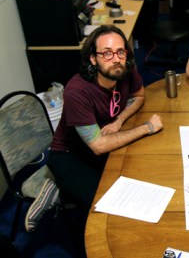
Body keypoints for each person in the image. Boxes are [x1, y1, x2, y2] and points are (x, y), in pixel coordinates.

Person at [46, 25, 163, 213]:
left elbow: (139, 96)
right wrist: (146, 127)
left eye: (120, 52)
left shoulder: (123, 68)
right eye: (107, 53)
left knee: (148, 174)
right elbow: (99, 145)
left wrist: (118, 120)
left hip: (103, 137)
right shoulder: (77, 91)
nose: (116, 59)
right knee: (107, 205)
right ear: (93, 58)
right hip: (71, 154)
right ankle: (55, 190)